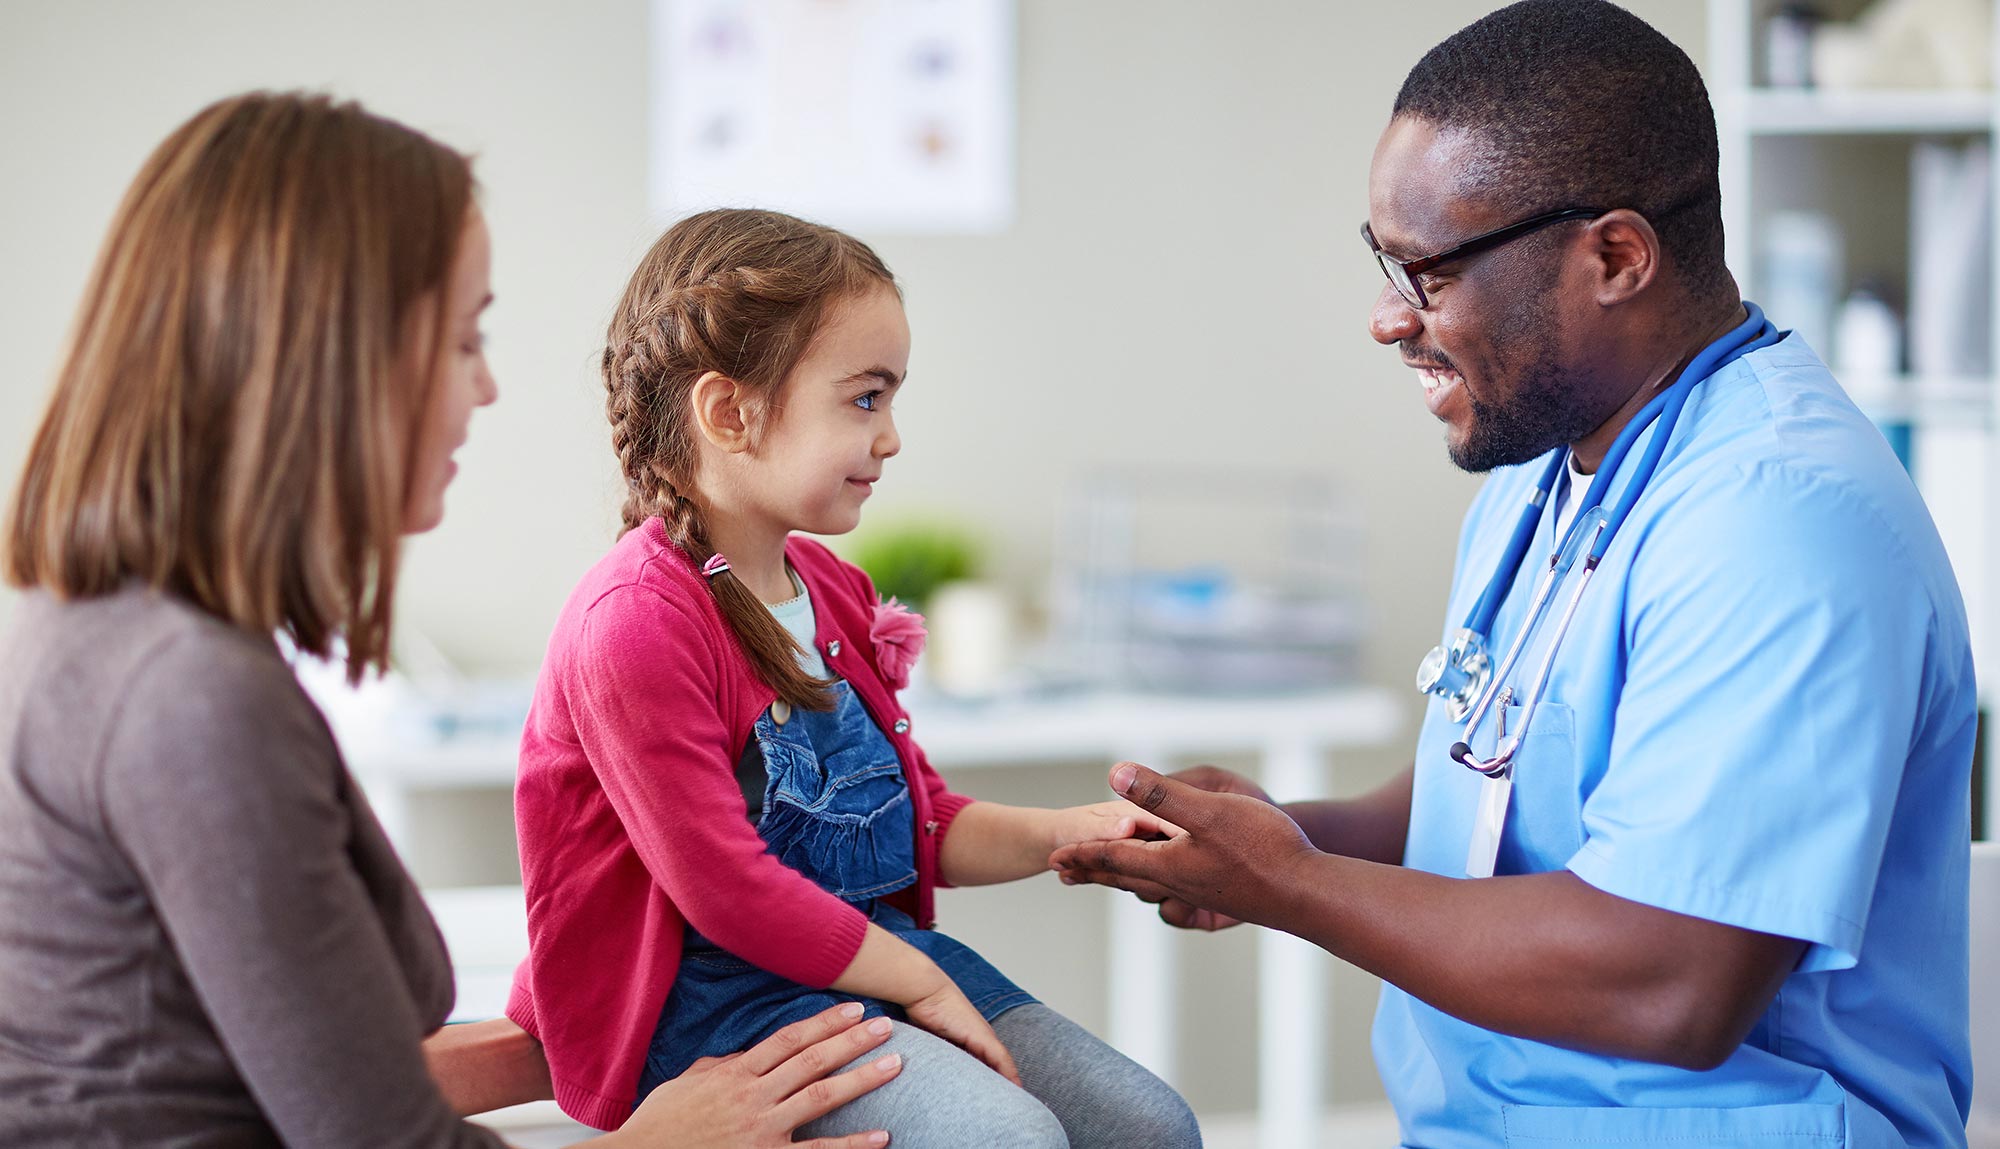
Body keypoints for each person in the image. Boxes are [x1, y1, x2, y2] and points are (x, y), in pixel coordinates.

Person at [1052, 2, 1975, 1145]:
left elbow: (1670, 981)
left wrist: (1288, 888)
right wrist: (1281, 838)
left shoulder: (1779, 522)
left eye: (1428, 271)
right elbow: (1481, 778)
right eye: (1383, 261)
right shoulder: (1545, 467)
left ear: (1615, 257)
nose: (1389, 319)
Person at [0, 91, 902, 1149]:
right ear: (328, 355)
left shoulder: (113, 638)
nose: (486, 388)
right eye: (462, 341)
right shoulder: (188, 701)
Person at [505, 207, 1203, 1148]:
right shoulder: (635, 621)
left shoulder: (828, 590)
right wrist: (917, 980)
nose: (892, 436)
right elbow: (727, 891)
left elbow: (908, 825)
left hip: (860, 960)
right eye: (866, 398)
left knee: (1151, 1128)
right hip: (714, 1004)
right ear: (730, 412)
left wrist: (1062, 834)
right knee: (1008, 1142)